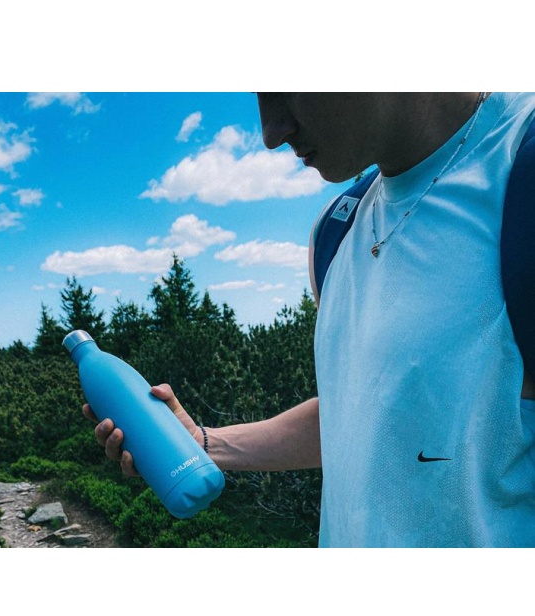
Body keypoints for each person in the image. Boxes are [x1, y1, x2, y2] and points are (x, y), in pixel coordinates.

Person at [87, 93, 535, 547]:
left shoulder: (518, 171)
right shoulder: (335, 230)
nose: (271, 133)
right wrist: (203, 442)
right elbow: (362, 413)